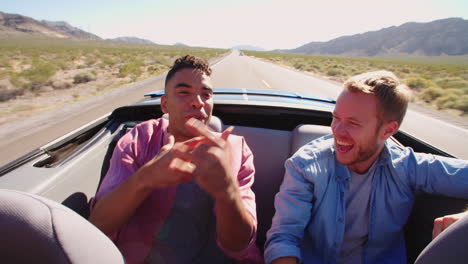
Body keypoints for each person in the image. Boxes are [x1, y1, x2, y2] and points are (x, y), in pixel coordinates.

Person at [264, 71, 468, 264]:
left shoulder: (408, 166)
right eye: (336, 118)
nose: (337, 131)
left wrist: (463, 221)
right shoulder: (307, 166)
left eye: (353, 123)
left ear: (387, 130)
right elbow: (284, 237)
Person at [89, 55, 262, 264]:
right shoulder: (141, 139)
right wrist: (145, 179)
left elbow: (239, 244)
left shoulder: (235, 151)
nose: (198, 102)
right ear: (164, 104)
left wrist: (228, 192)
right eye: (183, 92)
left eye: (206, 95)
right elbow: (98, 225)